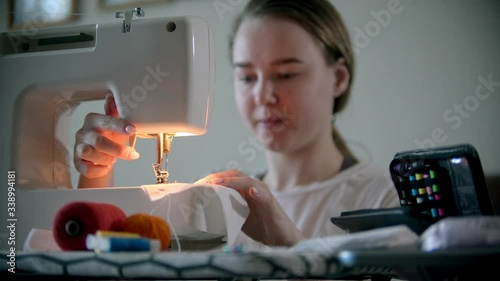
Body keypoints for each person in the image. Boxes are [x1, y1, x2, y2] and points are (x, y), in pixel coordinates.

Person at [74, 0, 399, 247]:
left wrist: (293, 249)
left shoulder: (386, 201)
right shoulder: (225, 205)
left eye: (285, 74)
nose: (263, 96)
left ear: (339, 78)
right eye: (246, 77)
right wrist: (96, 173)